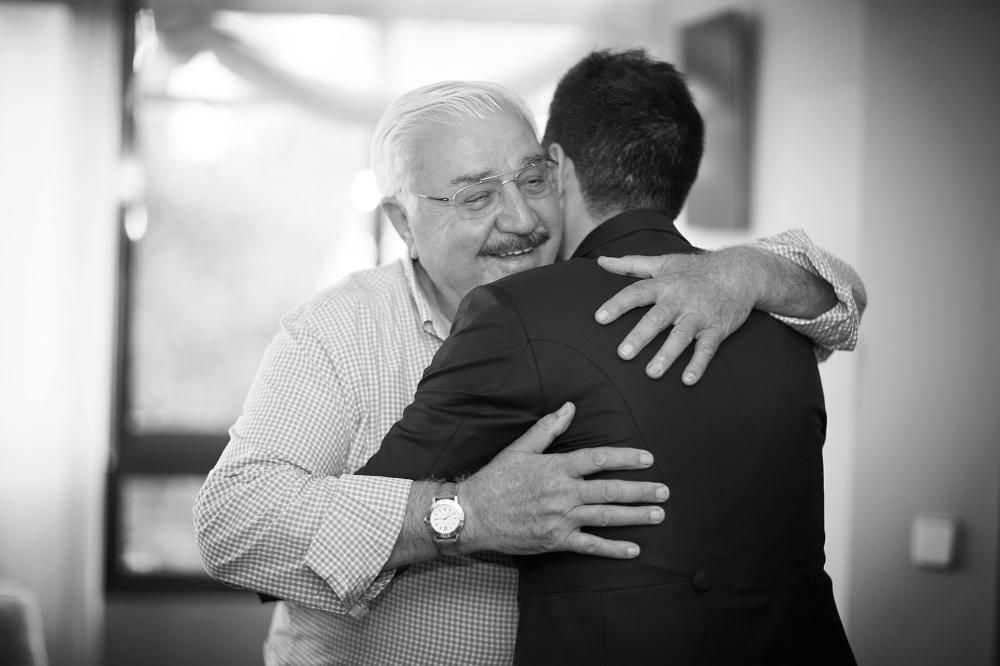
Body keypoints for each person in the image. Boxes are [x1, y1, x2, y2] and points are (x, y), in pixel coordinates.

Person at [194, 73, 865, 664]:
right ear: (403, 221)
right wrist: (462, 514)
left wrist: (750, 268)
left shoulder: (663, 291)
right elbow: (234, 523)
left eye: (533, 180)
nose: (520, 219)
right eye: (476, 197)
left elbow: (844, 304)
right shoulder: (336, 330)